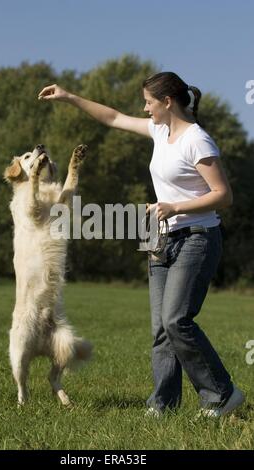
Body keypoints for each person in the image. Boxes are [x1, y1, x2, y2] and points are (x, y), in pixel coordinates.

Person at [38, 72, 245, 417]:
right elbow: (113, 117)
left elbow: (223, 196)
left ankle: (222, 395)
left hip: (196, 238)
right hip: (159, 237)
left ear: (167, 102)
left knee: (177, 320)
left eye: (149, 102)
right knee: (160, 329)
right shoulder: (160, 132)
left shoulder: (197, 140)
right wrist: (68, 96)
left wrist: (175, 206)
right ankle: (163, 404)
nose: (144, 108)